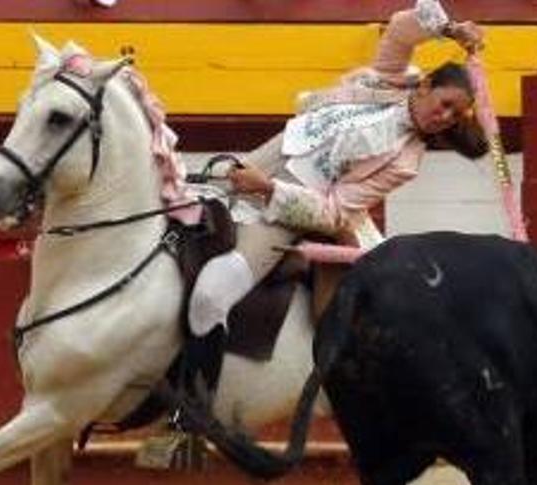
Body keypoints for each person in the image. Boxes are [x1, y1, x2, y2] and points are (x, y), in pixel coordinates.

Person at [187, 0, 487, 341]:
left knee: (211, 295)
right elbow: (403, 28)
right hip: (265, 157)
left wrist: (268, 188)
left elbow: (334, 213)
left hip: (283, 210)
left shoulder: (405, 163)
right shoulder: (391, 79)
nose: (445, 118)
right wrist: (451, 30)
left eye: (455, 114)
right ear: (424, 86)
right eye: (445, 104)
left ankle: (196, 390)